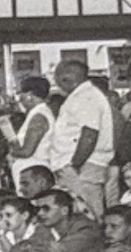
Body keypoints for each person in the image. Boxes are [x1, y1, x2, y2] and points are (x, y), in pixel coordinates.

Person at [48, 60, 115, 220]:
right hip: (80, 167)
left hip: (83, 167)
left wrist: (74, 165)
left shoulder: (86, 97)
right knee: (79, 215)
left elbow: (89, 134)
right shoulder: (81, 96)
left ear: (65, 79)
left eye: (58, 81)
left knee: (89, 214)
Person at [5, 76, 55, 188]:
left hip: (33, 171)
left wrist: (10, 151)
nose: (19, 99)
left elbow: (27, 152)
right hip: (30, 169)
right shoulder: (37, 113)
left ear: (29, 95)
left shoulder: (39, 116)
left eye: (20, 94)